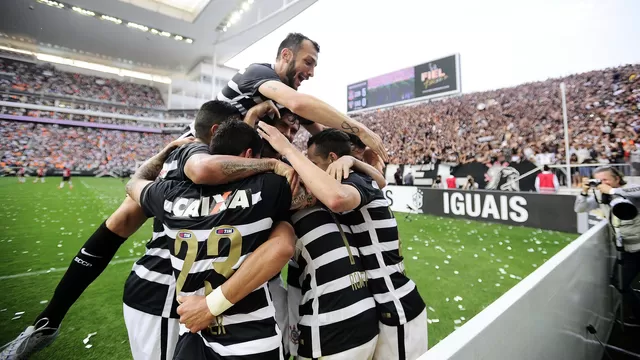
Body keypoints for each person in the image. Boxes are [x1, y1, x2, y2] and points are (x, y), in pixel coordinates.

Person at [0, 32, 387, 359]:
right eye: (308, 61)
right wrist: (362, 129)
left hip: (233, 169)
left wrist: (358, 161)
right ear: (285, 56)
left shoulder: (285, 107)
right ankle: (48, 321)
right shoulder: (260, 75)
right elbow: (299, 108)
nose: (311, 72)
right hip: (199, 147)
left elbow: (322, 136)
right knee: (123, 220)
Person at [126, 120, 295, 359]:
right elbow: (287, 238)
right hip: (251, 342)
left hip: (194, 337)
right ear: (249, 156)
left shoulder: (167, 194)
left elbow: (133, 183)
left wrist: (164, 153)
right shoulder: (270, 187)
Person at [257, 124, 428, 360]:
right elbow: (379, 181)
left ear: (332, 159)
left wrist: (287, 149)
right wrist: (354, 160)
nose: (310, 171)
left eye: (314, 164)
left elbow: (343, 196)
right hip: (375, 308)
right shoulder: (349, 178)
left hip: (395, 305)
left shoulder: (353, 180)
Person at [574, 166, 640, 323]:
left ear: (617, 179)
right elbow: (579, 208)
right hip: (626, 250)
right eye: (599, 181)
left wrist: (611, 192)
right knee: (619, 282)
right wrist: (584, 191)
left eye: (606, 180)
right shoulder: (600, 196)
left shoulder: (630, 189)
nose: (602, 184)